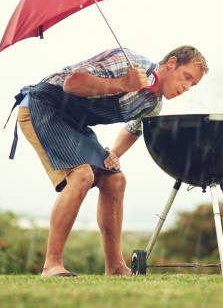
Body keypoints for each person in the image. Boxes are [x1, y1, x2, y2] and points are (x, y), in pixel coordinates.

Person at [11, 45, 208, 277]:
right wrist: (124, 84)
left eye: (192, 85)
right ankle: (52, 266)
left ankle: (115, 268)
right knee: (82, 174)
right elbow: (72, 83)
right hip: (43, 106)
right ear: (172, 62)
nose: (186, 87)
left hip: (74, 123)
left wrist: (114, 155)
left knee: (116, 179)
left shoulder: (153, 105)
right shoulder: (129, 62)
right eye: (186, 77)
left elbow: (133, 129)